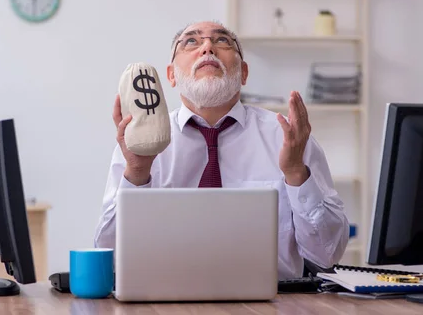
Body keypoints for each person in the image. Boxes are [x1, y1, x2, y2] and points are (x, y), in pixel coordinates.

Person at [93, 20, 349, 280]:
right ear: (170, 75)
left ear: (244, 73)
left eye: (222, 40)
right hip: (164, 300)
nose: (207, 47)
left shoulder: (288, 137)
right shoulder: (140, 143)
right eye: (191, 41)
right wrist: (137, 172)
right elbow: (109, 257)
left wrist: (296, 173)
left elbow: (326, 255)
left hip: (274, 302)